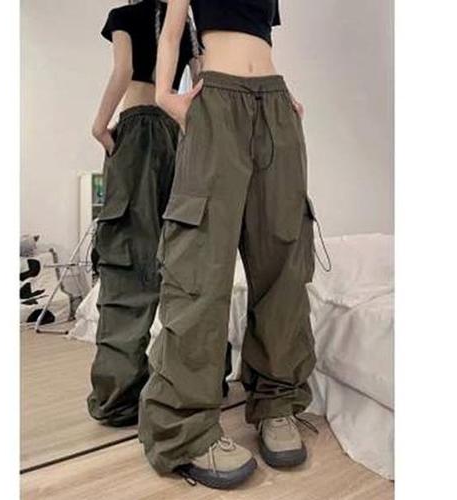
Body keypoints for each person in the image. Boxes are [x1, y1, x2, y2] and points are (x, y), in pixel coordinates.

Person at [139, 0, 318, 489]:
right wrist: (164, 94)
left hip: (275, 103)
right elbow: (172, 32)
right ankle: (185, 431)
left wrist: (283, 97)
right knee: (200, 268)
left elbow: (260, 40)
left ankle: (277, 403)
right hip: (215, 99)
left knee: (283, 264)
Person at [87, 0, 200, 427]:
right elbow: (202, 82)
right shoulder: (185, 23)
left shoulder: (123, 16)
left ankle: (119, 397)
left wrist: (99, 127)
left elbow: (123, 71)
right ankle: (197, 382)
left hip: (135, 130)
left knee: (128, 261)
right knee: (184, 260)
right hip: (178, 136)